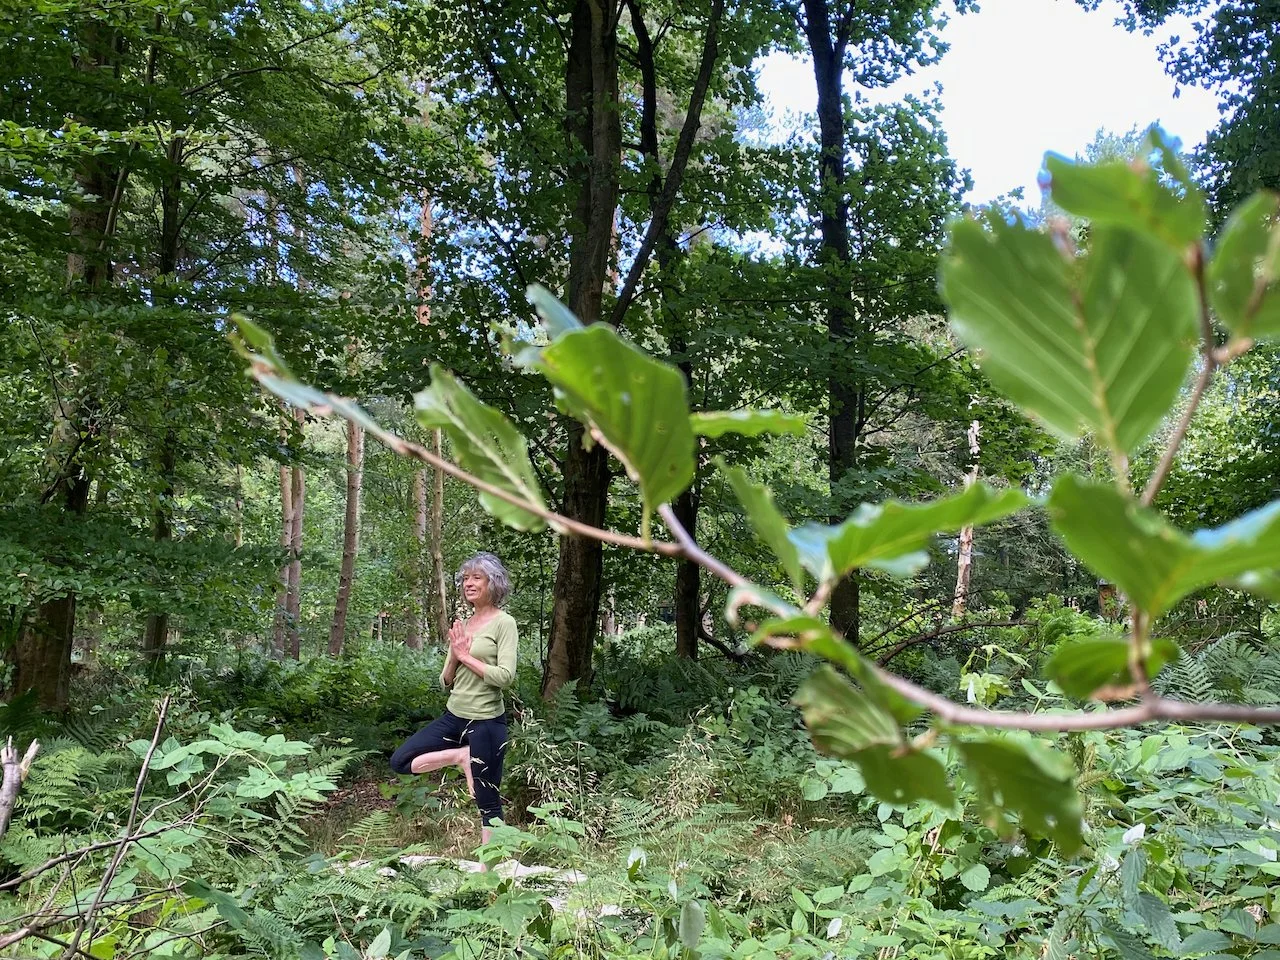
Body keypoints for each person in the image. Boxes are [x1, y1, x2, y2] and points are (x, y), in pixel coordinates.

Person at [390, 552, 517, 844]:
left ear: (493, 583)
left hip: (486, 722)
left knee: (488, 803)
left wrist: (464, 656)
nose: (468, 584)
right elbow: (446, 681)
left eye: (477, 578)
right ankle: (461, 756)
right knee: (400, 761)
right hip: (454, 716)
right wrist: (454, 658)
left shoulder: (504, 623)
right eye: (466, 579)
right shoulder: (465, 624)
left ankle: (489, 876)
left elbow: (505, 677)